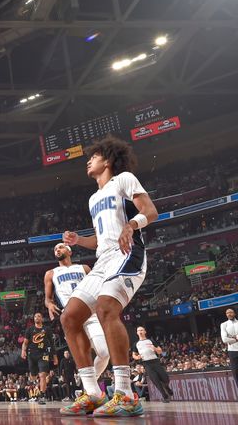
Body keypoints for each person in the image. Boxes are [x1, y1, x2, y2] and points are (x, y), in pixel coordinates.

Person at [59, 136, 158, 417]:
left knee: (105, 308)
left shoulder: (124, 179)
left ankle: (125, 394)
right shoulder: (93, 198)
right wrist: (79, 240)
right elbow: (101, 241)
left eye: (95, 155)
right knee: (70, 317)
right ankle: (92, 393)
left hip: (127, 253)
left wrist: (131, 225)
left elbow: (150, 212)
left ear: (109, 160)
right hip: (103, 258)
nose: (89, 160)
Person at [44, 243, 110, 380]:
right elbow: (48, 299)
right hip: (71, 316)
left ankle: (90, 382)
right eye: (55, 249)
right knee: (83, 356)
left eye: (60, 247)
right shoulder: (50, 273)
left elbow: (97, 287)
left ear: (69, 251)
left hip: (90, 312)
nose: (57, 250)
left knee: (104, 353)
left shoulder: (84, 268)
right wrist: (50, 305)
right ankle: (89, 388)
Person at [21, 312, 57, 404]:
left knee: (43, 375)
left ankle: (42, 395)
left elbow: (52, 344)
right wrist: (23, 351)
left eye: (39, 316)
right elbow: (25, 343)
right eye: (35, 316)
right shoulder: (30, 330)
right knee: (33, 375)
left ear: (42, 319)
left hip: (43, 354)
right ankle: (35, 384)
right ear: (34, 319)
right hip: (31, 354)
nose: (37, 317)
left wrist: (55, 356)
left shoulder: (47, 329)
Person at [131, 326, 173, 403]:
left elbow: (160, 351)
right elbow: (133, 355)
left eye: (141, 330)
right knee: (156, 381)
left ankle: (166, 387)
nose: (140, 331)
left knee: (165, 378)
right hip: (146, 364)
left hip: (155, 361)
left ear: (145, 332)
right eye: (138, 330)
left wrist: (155, 349)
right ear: (137, 333)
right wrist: (137, 357)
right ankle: (165, 396)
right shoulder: (136, 344)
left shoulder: (150, 340)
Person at [221, 308, 238, 389]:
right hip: (232, 351)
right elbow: (224, 339)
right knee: (236, 373)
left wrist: (231, 338)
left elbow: (228, 339)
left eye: (231, 312)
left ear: (234, 313)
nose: (229, 314)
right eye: (227, 313)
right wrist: (236, 339)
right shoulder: (224, 324)